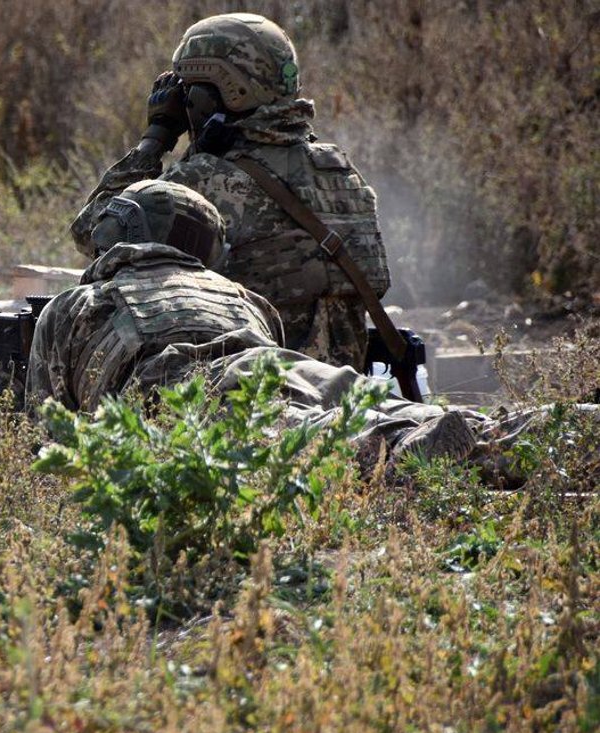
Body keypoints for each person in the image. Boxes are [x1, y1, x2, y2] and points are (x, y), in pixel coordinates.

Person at [35, 180, 596, 488]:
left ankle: (400, 451)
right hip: (270, 361)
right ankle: (556, 427)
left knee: (301, 439)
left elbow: (55, 435)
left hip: (182, 387)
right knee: (365, 401)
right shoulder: (239, 295)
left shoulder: (75, 305)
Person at [70, 13, 391, 370]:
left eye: (189, 93)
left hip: (262, 402)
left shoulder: (206, 180)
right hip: (348, 397)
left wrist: (157, 136)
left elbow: (93, 234)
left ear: (215, 97)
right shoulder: (340, 172)